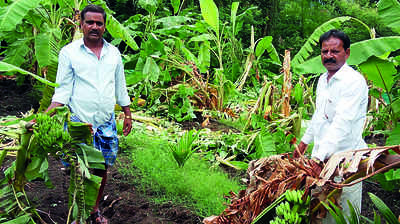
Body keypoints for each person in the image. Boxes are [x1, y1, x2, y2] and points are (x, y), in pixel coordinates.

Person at [46, 4, 132, 224]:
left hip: (106, 122)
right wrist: (45, 117)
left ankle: (94, 211)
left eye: (99, 23)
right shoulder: (69, 53)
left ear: (105, 26)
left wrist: (128, 114)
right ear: (81, 24)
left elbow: (120, 86)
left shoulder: (113, 53)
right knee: (79, 170)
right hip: (79, 123)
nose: (94, 26)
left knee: (102, 167)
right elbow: (63, 90)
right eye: (90, 22)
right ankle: (78, 214)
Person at [294, 29, 368, 222]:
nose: (329, 56)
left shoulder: (353, 82)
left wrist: (317, 158)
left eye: (334, 51)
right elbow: (320, 115)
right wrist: (304, 142)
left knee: (344, 211)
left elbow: (342, 124)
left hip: (345, 160)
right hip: (321, 157)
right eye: (325, 51)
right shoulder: (322, 80)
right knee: (321, 210)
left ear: (347, 53)